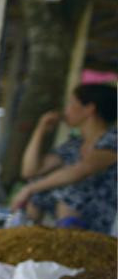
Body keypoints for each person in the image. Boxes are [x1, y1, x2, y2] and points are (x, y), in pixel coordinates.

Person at [12, 83, 117, 233]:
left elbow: (80, 171)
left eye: (71, 104)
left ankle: (69, 248)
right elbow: (30, 170)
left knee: (70, 197)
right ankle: (26, 241)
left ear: (89, 109)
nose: (65, 110)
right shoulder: (75, 144)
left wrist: (29, 188)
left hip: (101, 218)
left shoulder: (112, 140)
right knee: (38, 193)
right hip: (72, 212)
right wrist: (40, 129)